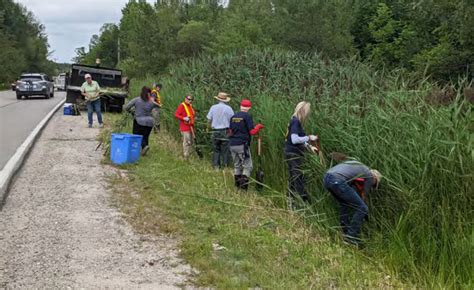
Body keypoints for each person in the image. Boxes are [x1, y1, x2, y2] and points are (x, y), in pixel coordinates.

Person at [323, 160, 382, 245]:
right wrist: (366, 215)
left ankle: (345, 232)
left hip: (327, 178)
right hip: (337, 180)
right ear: (375, 179)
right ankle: (351, 237)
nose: (372, 186)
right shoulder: (369, 176)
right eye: (374, 185)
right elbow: (363, 197)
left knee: (344, 203)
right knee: (363, 208)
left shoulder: (359, 167)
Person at [284, 101, 318, 208]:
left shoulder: (294, 121)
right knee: (298, 178)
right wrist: (309, 137)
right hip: (294, 154)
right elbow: (294, 140)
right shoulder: (295, 122)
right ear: (303, 111)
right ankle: (307, 203)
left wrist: (310, 147)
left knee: (293, 179)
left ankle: (291, 203)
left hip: (291, 152)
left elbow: (300, 140)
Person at [229, 99, 264, 190]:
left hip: (232, 144)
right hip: (242, 145)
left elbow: (230, 132)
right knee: (248, 166)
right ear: (249, 108)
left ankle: (237, 187)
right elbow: (252, 132)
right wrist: (258, 127)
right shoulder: (247, 116)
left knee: (237, 165)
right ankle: (243, 189)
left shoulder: (233, 116)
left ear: (241, 106)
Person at [124, 86, 158, 156]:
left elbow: (126, 107)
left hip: (139, 120)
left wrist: (132, 112)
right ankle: (144, 151)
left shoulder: (137, 99)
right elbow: (159, 106)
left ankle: (144, 146)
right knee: (146, 136)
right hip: (150, 121)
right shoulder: (151, 102)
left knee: (136, 135)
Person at [206, 92, 234, 169]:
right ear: (225, 100)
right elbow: (232, 120)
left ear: (218, 99)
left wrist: (208, 128)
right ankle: (225, 166)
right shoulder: (229, 109)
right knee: (225, 150)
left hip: (215, 131)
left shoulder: (213, 107)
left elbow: (209, 119)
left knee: (216, 149)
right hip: (225, 130)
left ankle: (216, 167)